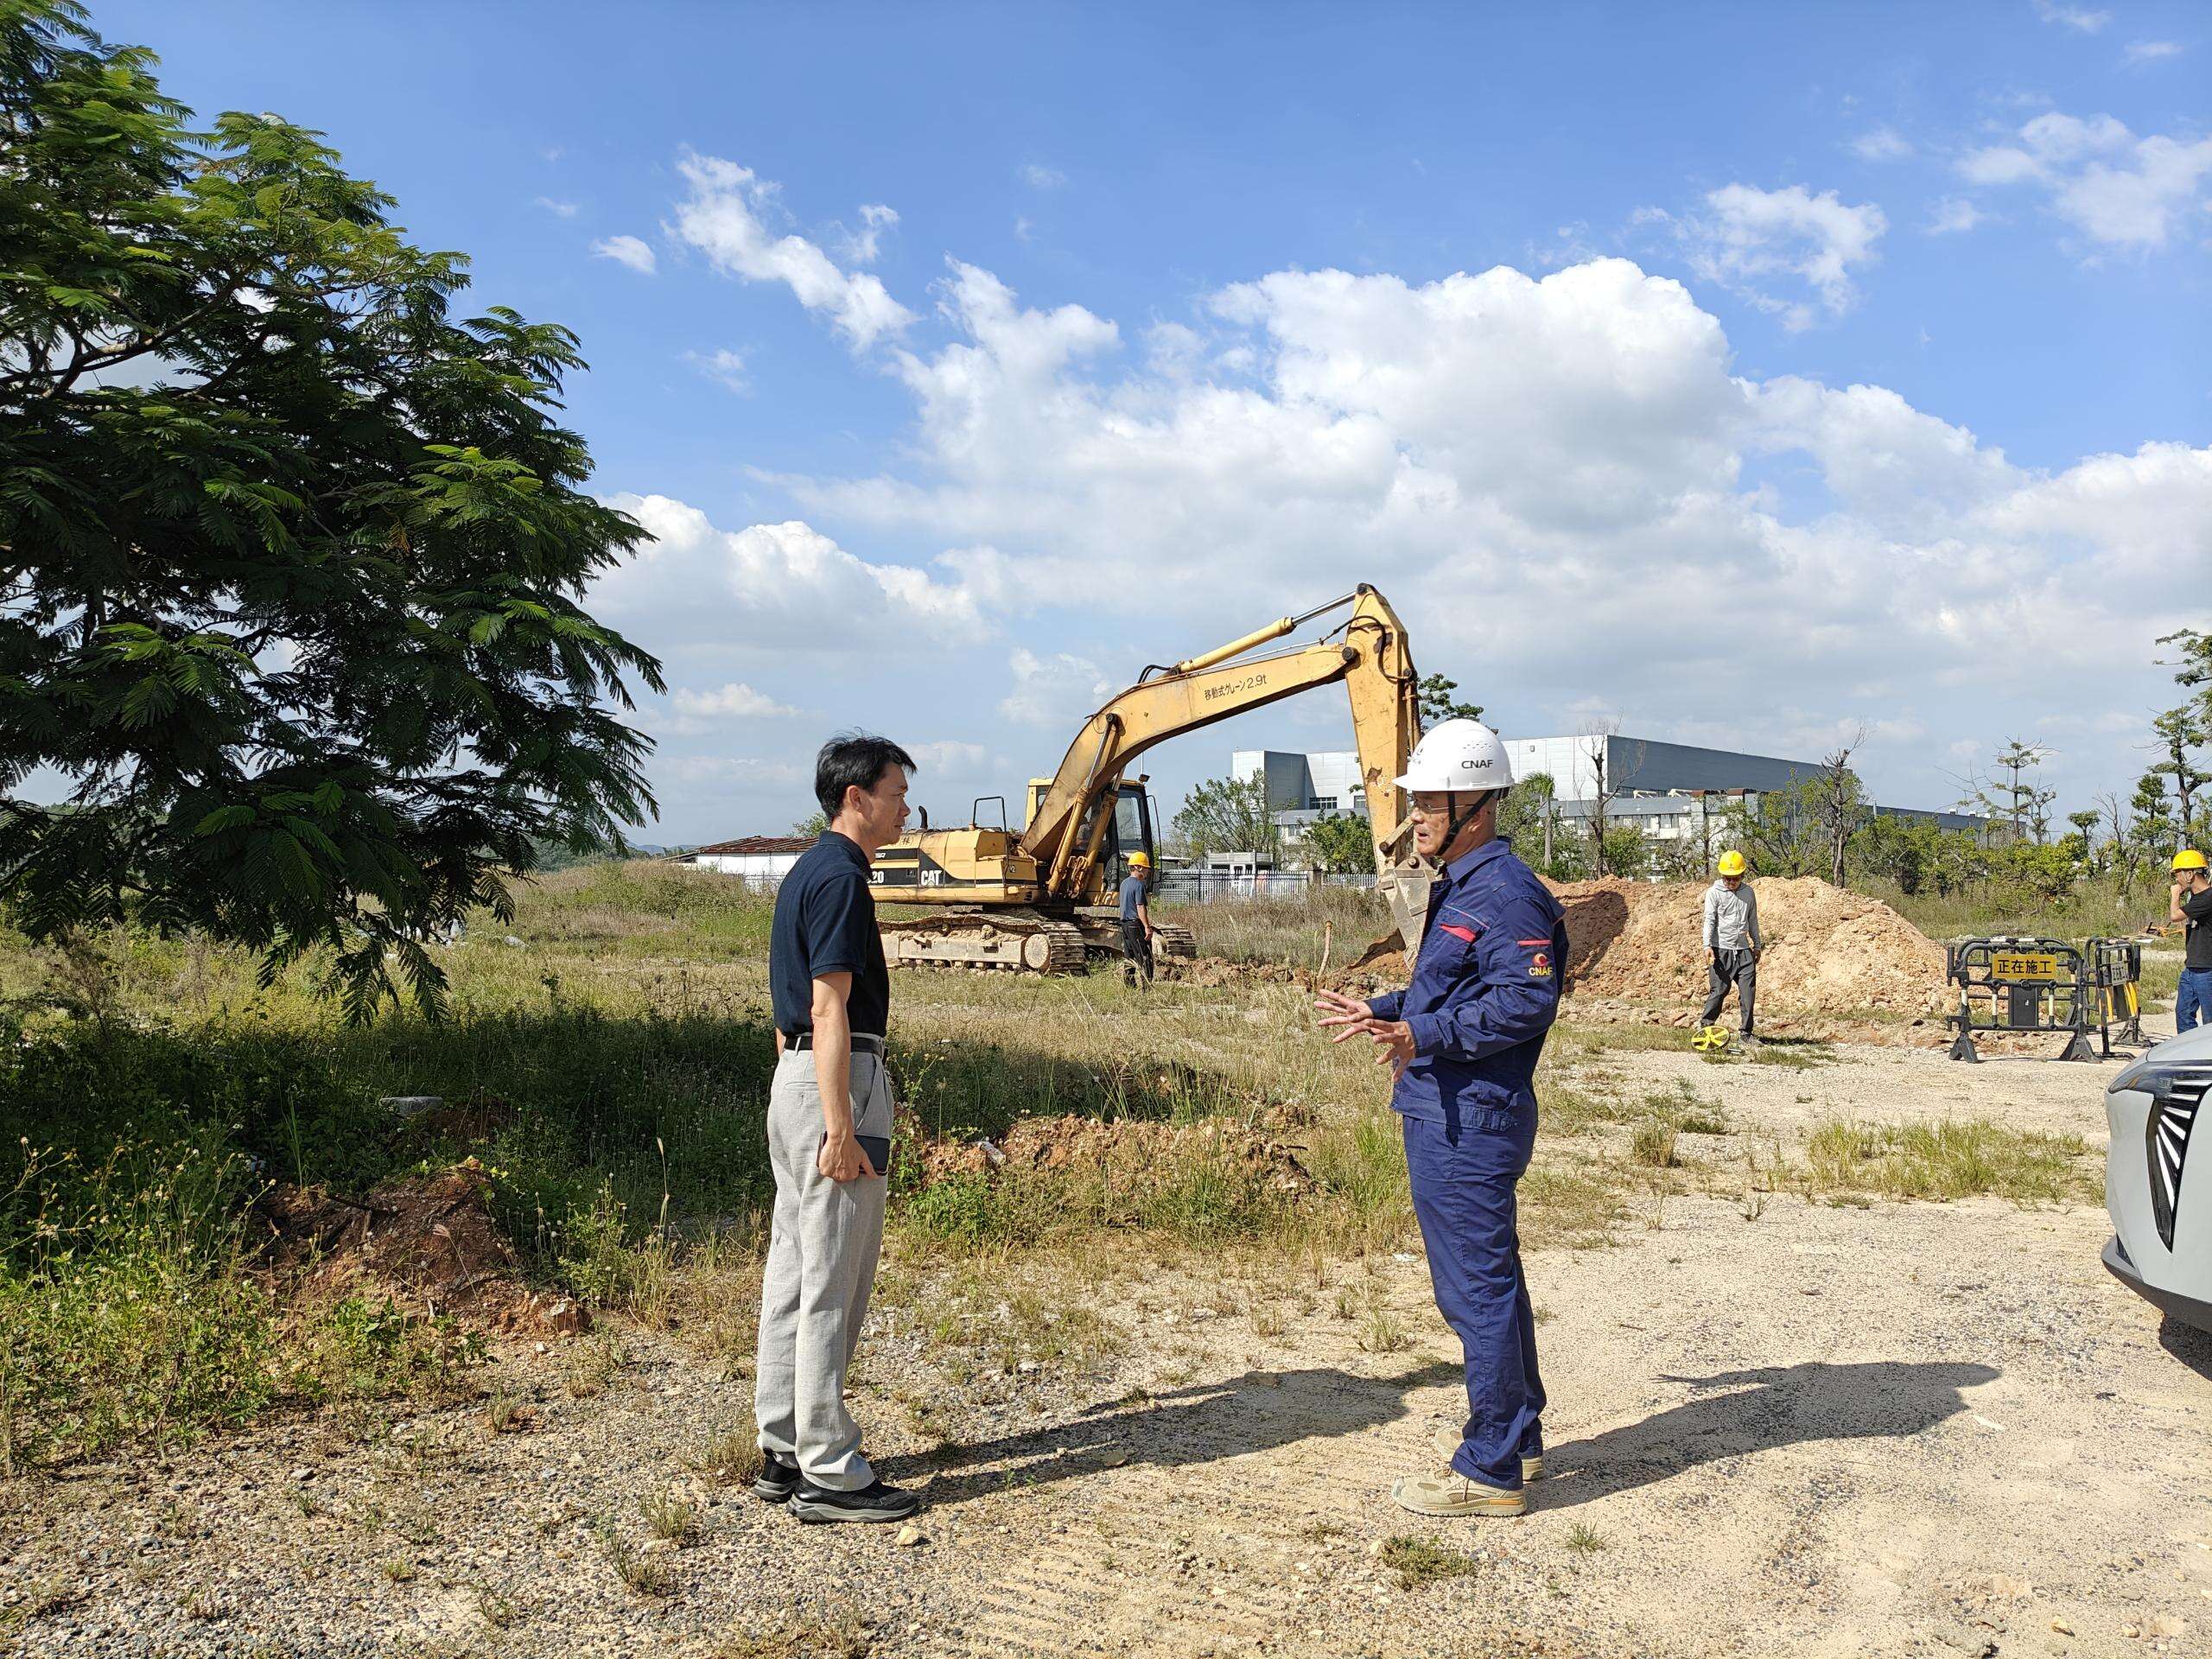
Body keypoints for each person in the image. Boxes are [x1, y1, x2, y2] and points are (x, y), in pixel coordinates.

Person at [1311, 719, 1566, 1519]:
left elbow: (1526, 999)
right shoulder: (1462, 882)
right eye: (1415, 801)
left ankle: (1489, 1468)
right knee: (1493, 1281)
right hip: (1448, 1107)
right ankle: (1517, 1435)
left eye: (1428, 802)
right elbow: (1455, 987)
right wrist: (1387, 1007)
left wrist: (1424, 1033)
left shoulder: (1505, 889)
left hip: (1471, 1117)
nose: (1413, 817)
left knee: (1476, 1290)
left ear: (1476, 804)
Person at [753, 733, 920, 1524]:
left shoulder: (804, 872)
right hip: (836, 1074)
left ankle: (783, 1447)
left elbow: (786, 1006)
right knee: (833, 1279)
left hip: (795, 1077)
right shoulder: (844, 880)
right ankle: (829, 1468)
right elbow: (829, 1006)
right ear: (856, 797)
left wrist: (798, 1100)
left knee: (793, 1269)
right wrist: (840, 1124)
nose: (905, 808)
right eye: (895, 793)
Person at [1698, 850, 1762, 1046]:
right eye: (1727, 878)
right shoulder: (1714, 893)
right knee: (1720, 989)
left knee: (1748, 992)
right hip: (1720, 949)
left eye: (1735, 878)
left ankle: (1746, 1034)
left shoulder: (1748, 893)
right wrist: (1707, 945)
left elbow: (1753, 919)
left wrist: (1757, 944)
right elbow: (1709, 919)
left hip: (1743, 950)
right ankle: (1706, 1027)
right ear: (1721, 876)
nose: (1731, 882)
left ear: (1742, 875)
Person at [2172, 849, 2212, 1034]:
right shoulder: (2196, 899)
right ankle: (2189, 1054)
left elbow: (2175, 916)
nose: (2176, 880)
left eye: (2177, 874)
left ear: (2190, 874)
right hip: (2192, 968)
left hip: (2207, 970)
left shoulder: (2208, 898)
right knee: (2183, 1014)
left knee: (2209, 1022)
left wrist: (2175, 895)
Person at [1120, 851, 1159, 987]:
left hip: (1124, 925)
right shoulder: (1139, 885)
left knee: (1129, 956)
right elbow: (1140, 907)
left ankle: (1130, 985)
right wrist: (1147, 927)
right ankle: (1147, 986)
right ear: (1139, 867)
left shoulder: (1124, 884)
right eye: (1146, 868)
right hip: (1135, 924)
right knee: (1145, 956)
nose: (1148, 871)